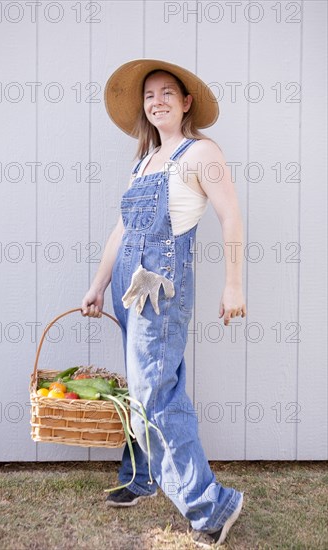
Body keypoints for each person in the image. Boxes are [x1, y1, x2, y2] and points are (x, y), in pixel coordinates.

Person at [81, 59, 246, 549]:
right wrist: (97, 283)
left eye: (167, 92)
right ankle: (145, 476)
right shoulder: (144, 161)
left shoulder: (201, 152)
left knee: (156, 391)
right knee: (143, 386)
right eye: (149, 95)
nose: (157, 101)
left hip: (162, 290)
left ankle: (211, 505)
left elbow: (231, 214)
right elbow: (121, 231)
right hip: (128, 288)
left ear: (186, 101)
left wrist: (234, 284)